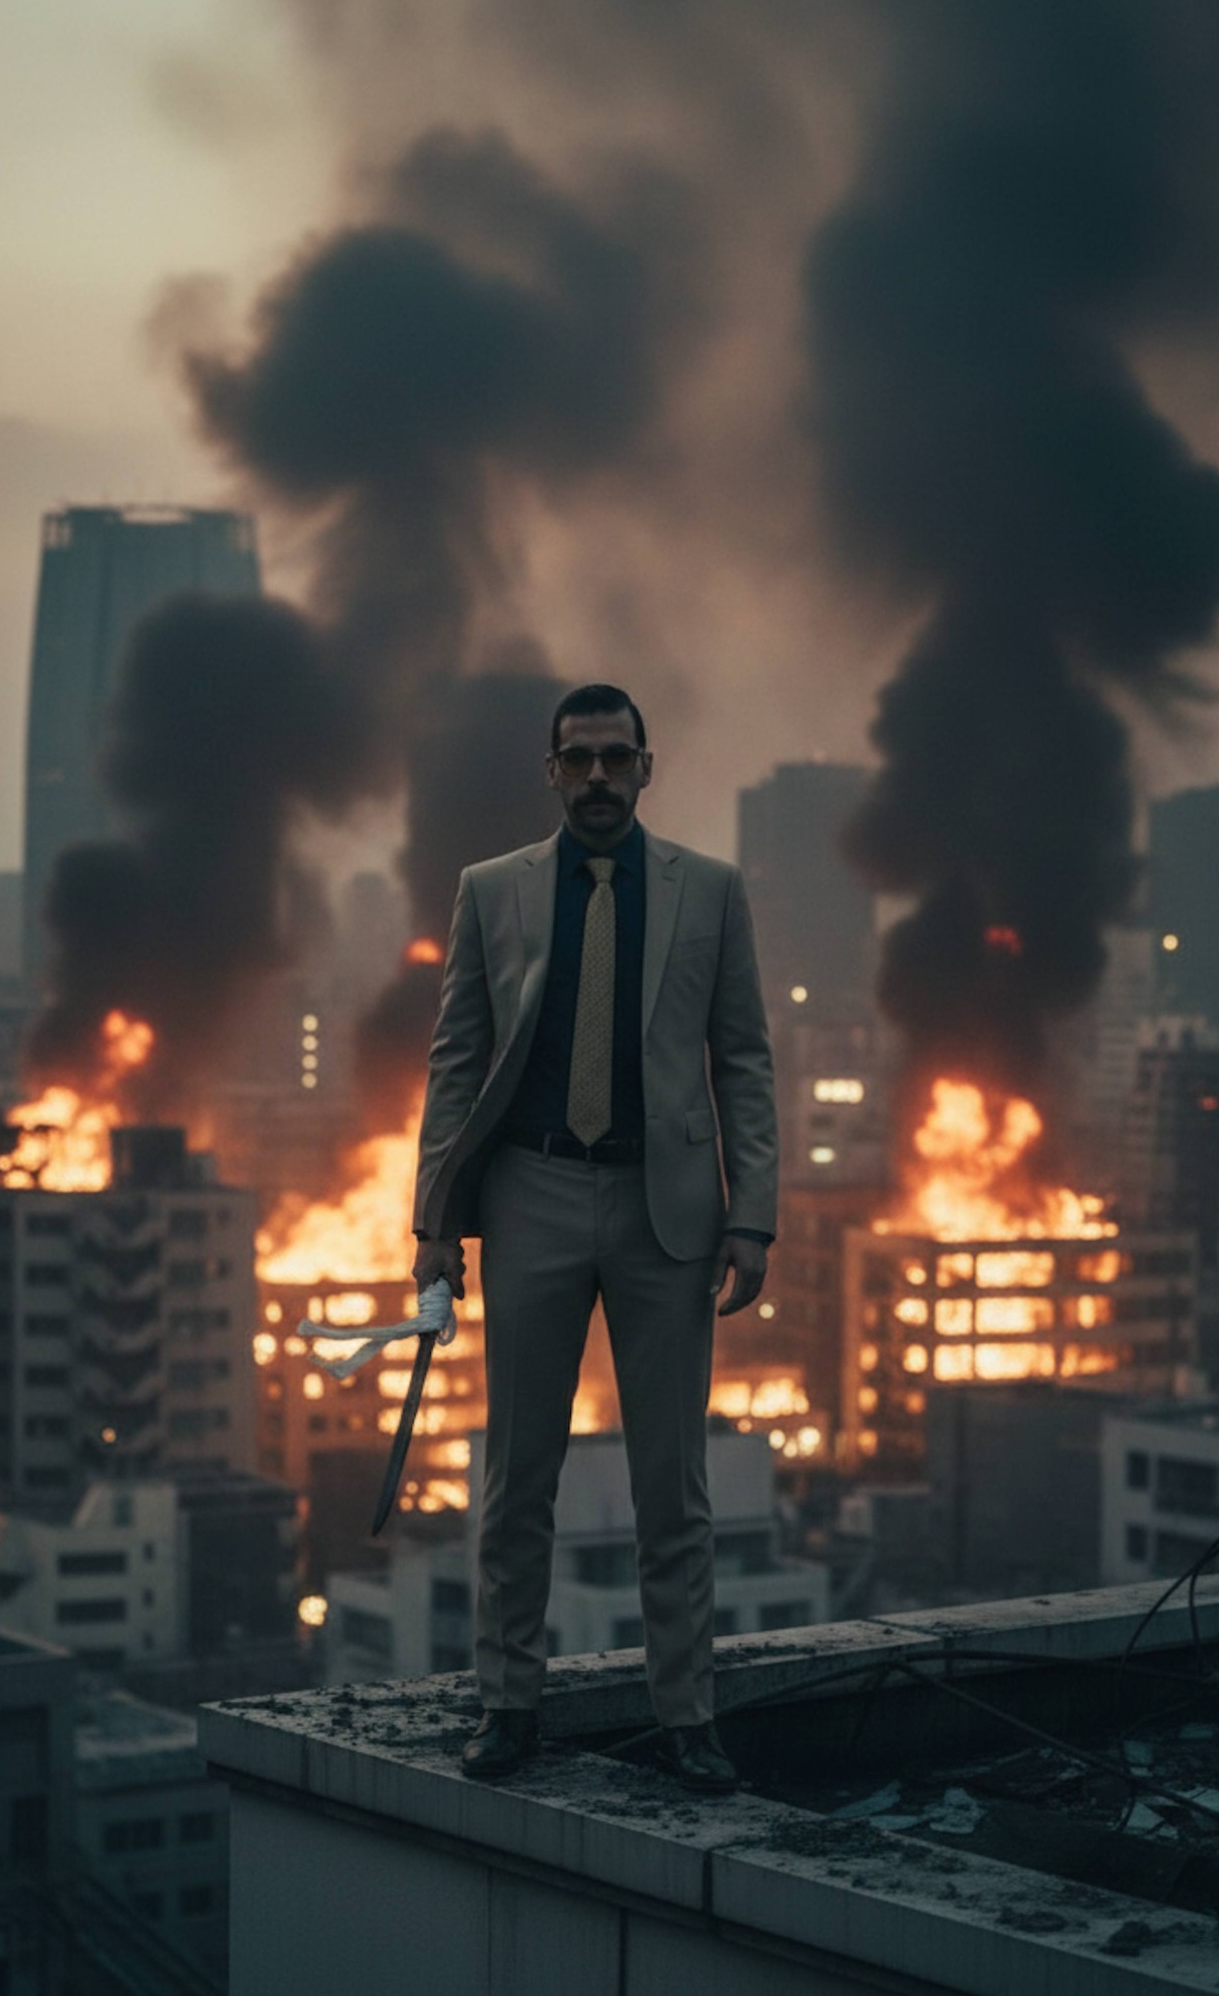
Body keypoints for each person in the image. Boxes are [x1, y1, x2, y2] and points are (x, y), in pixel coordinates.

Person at [412, 683, 778, 1795]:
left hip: (664, 1208)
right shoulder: (493, 892)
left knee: (675, 1483)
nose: (599, 778)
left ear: (647, 768)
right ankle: (508, 1705)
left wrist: (751, 1212)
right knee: (518, 1473)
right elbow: (454, 1062)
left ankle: (687, 1716)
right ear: (551, 771)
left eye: (617, 758)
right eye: (579, 759)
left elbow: (743, 1060)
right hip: (528, 1195)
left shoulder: (708, 893)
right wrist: (435, 1221)